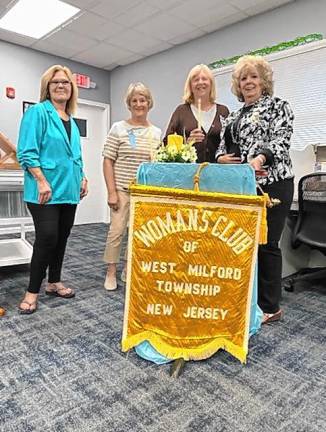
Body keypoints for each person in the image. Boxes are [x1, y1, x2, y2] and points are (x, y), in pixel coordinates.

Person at [216, 55, 294, 324]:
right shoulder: (233, 115)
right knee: (244, 245)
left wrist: (259, 159)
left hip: (273, 183)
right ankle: (248, 299)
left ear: (263, 80)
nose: (248, 82)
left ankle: (270, 307)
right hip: (242, 186)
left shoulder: (278, 106)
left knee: (267, 243)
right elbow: (223, 149)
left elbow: (280, 142)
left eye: (253, 76)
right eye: (243, 78)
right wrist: (220, 159)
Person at [17, 65, 88, 314]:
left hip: (68, 189)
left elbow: (75, 156)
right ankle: (32, 291)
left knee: (61, 237)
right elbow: (26, 151)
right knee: (47, 237)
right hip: (44, 190)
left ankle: (54, 282)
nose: (61, 86)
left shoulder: (72, 121)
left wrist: (83, 177)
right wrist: (40, 179)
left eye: (66, 83)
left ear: (72, 89)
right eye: (55, 82)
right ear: (47, 87)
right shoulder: (38, 112)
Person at [102, 83, 161, 291]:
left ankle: (128, 267)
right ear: (129, 104)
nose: (139, 104)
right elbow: (108, 160)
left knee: (137, 233)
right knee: (117, 230)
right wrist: (111, 192)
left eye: (142, 100)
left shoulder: (156, 132)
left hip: (143, 192)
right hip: (121, 189)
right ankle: (111, 271)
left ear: (149, 103)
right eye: (134, 100)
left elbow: (156, 164)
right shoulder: (118, 128)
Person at [164, 64, 229, 162]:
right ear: (190, 85)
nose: (200, 82)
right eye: (196, 79)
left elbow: (230, 142)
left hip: (218, 173)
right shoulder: (181, 111)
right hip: (189, 174)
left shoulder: (223, 111)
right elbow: (166, 146)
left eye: (204, 79)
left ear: (211, 83)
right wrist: (187, 143)